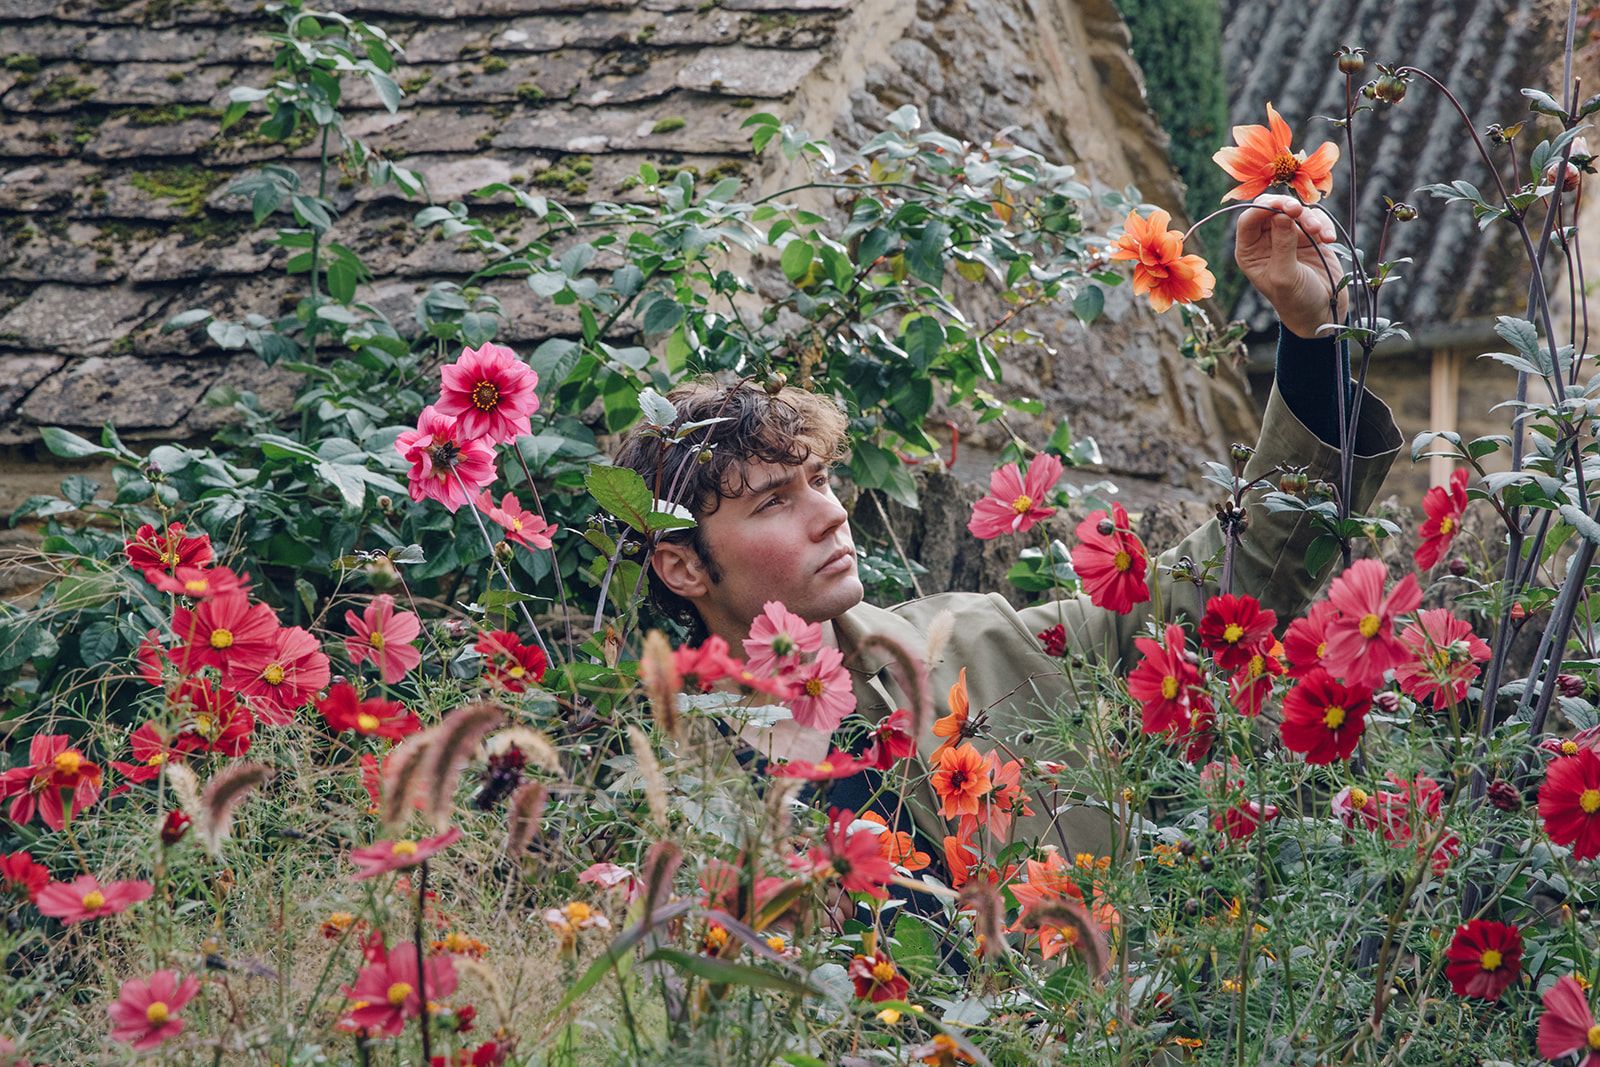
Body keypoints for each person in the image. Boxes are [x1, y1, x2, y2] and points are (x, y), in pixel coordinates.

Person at [612, 194, 1402, 863]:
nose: (832, 510)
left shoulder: (980, 650)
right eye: (775, 501)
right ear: (683, 568)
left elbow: (1244, 580)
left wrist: (1312, 339)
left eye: (819, 478)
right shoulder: (651, 796)